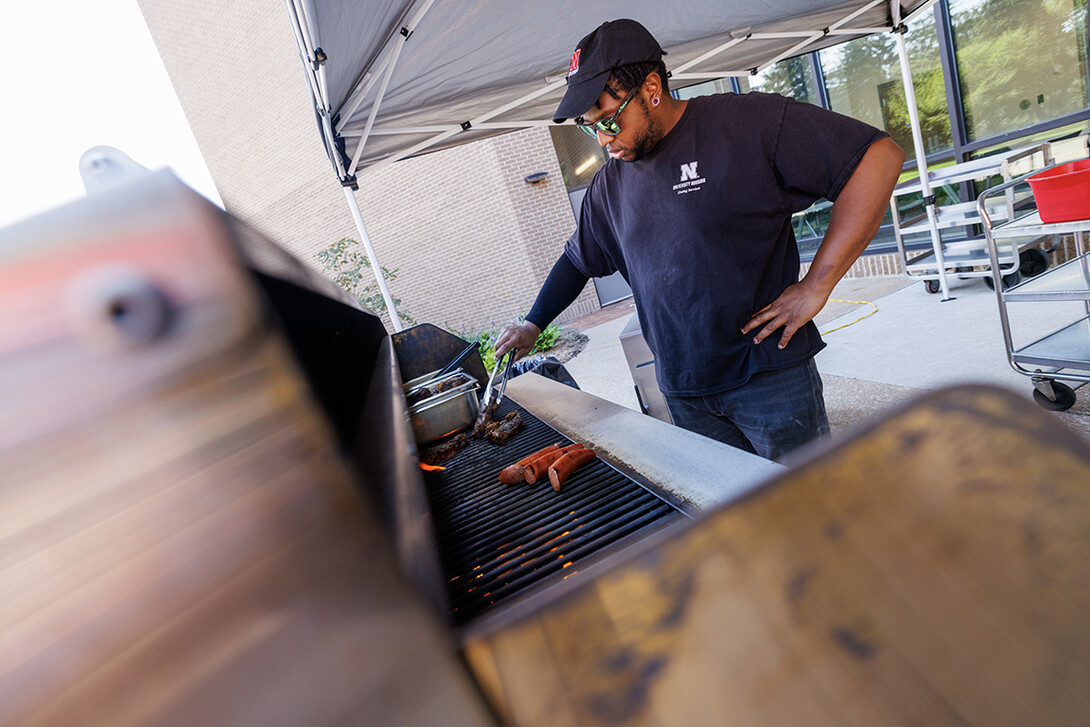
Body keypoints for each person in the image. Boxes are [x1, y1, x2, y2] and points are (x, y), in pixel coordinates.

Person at [494, 19, 905, 461]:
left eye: (610, 120)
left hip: (768, 379)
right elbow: (578, 260)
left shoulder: (747, 123)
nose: (603, 140)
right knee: (728, 517)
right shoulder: (609, 187)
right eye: (590, 127)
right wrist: (533, 324)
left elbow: (878, 159)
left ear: (652, 86)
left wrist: (816, 286)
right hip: (684, 390)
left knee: (805, 514)